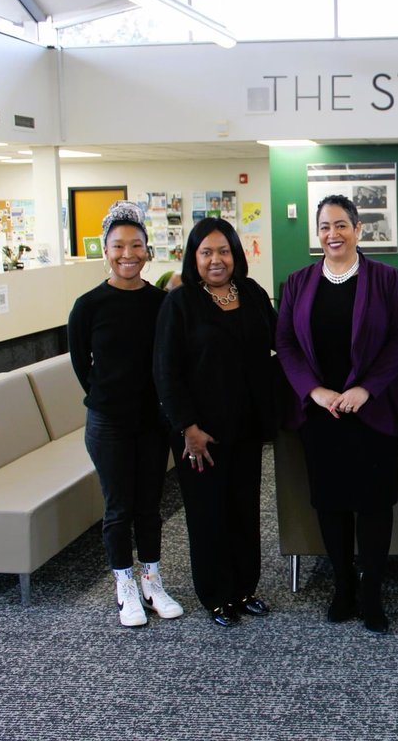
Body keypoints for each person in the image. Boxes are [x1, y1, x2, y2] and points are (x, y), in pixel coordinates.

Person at [275, 195, 398, 635]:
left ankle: (372, 592)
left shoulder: (387, 280)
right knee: (331, 503)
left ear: (358, 229)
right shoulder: (297, 283)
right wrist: (314, 391)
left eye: (341, 225)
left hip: (373, 412)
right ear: (317, 234)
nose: (332, 234)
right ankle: (342, 587)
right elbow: (287, 345)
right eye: (324, 227)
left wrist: (364, 389)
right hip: (321, 415)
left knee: (374, 505)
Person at [154, 217, 279, 628]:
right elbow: (166, 371)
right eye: (206, 252)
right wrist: (187, 426)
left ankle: (245, 589)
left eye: (223, 251)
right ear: (194, 257)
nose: (216, 260)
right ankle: (217, 596)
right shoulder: (180, 302)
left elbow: (281, 344)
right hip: (200, 435)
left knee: (245, 510)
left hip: (246, 428)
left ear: (236, 254)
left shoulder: (254, 294)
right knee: (208, 515)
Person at [68, 201, 184, 627]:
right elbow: (83, 365)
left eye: (136, 245)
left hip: (152, 421)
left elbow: (168, 361)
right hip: (108, 423)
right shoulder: (88, 305)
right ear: (106, 249)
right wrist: (109, 397)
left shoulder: (161, 302)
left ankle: (152, 580)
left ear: (148, 251)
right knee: (118, 508)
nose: (128, 254)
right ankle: (124, 587)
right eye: (119, 246)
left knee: (149, 507)